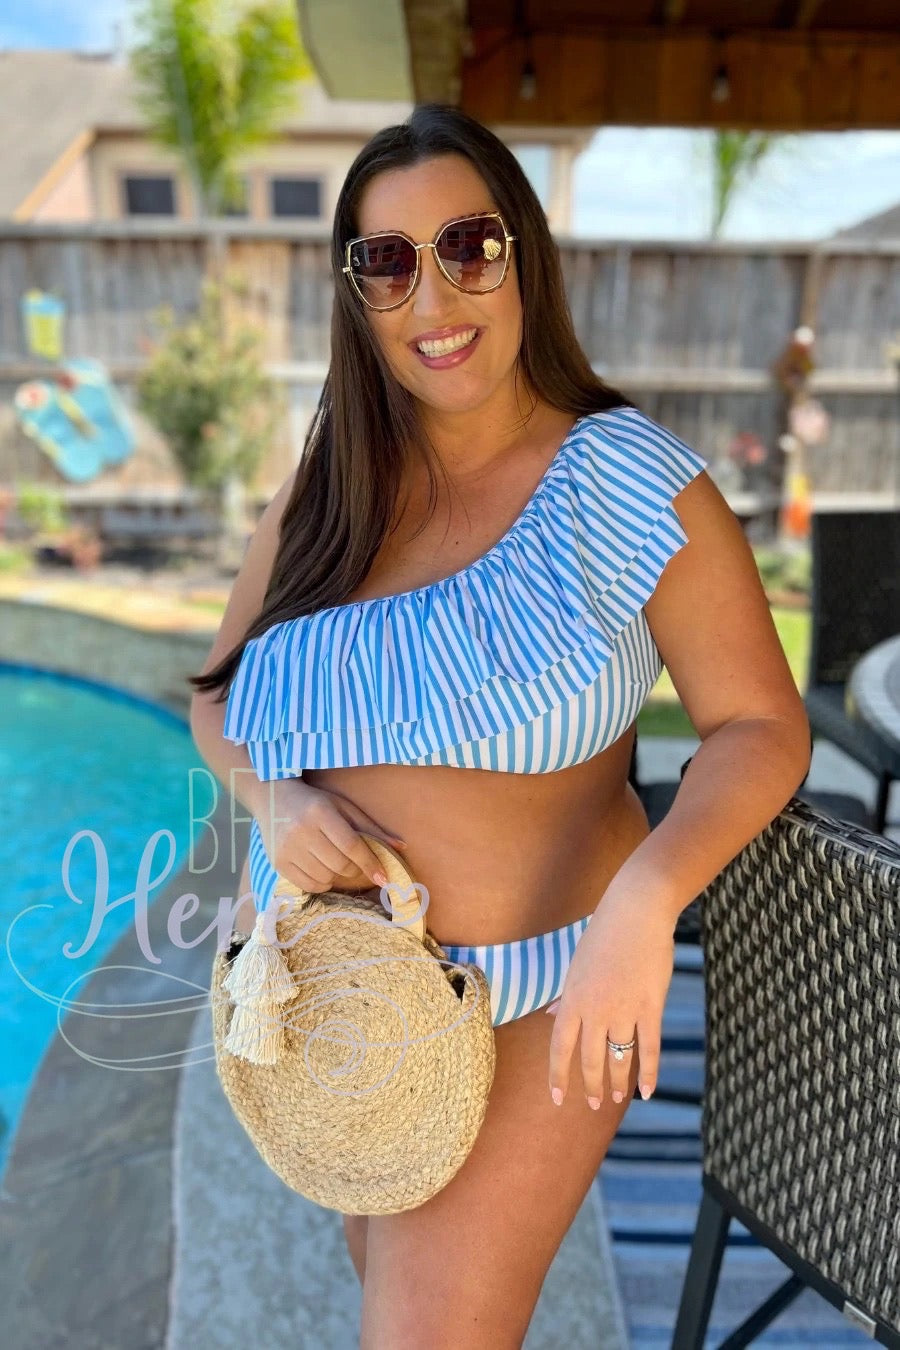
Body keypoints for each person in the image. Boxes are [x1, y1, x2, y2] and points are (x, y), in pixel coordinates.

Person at [189, 104, 811, 1349]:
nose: (434, 296)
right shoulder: (334, 483)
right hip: (341, 999)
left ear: (524, 253)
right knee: (393, 1292)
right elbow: (216, 695)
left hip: (543, 991)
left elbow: (760, 725)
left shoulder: (630, 482)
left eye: (469, 247)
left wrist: (648, 900)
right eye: (389, 261)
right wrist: (276, 798)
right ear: (357, 293)